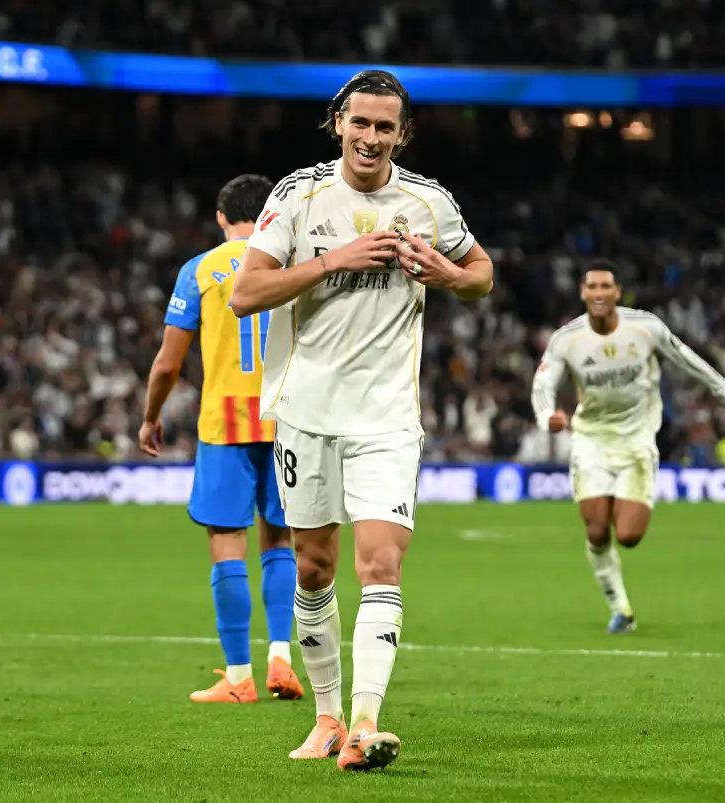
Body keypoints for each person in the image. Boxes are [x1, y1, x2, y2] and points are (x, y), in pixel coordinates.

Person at [229, 69, 493, 771]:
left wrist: (447, 273)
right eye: (360, 123)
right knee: (313, 568)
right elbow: (245, 293)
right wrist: (332, 260)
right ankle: (326, 716)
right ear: (337, 122)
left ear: (401, 133)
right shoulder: (298, 194)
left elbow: (482, 274)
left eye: (385, 126)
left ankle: (365, 725)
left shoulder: (427, 201)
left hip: (386, 416)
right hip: (308, 413)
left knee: (382, 562)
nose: (371, 137)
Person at [139, 174, 304, 705]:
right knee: (280, 540)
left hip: (225, 423)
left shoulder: (201, 270)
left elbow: (168, 363)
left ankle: (239, 678)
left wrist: (151, 417)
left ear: (220, 218)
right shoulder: (293, 261)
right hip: (287, 420)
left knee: (226, 544)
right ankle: (282, 658)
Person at [531, 260, 725, 633]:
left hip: (637, 439)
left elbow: (685, 358)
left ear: (617, 292)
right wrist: (545, 416)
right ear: (583, 293)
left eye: (606, 287)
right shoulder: (566, 339)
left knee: (629, 536)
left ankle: (620, 500)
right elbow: (543, 384)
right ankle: (621, 609)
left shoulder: (645, 328)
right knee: (598, 532)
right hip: (591, 440)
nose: (599, 294)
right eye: (592, 287)